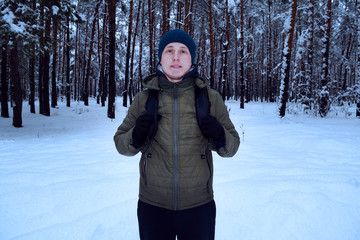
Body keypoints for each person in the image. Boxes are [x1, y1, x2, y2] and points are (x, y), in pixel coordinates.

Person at [114, 29, 240, 240]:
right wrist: (135, 137)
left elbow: (232, 147)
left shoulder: (210, 98)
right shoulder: (144, 99)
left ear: (192, 59)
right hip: (152, 205)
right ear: (160, 58)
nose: (175, 57)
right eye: (169, 50)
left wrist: (220, 135)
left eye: (183, 51)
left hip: (199, 205)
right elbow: (120, 143)